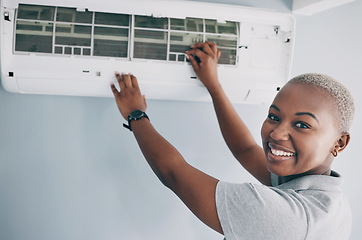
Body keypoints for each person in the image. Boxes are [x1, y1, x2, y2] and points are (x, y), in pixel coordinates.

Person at [110, 41, 354, 240]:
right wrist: (214, 85)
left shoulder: (290, 218)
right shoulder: (326, 196)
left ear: (339, 143)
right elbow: (246, 149)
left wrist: (136, 115)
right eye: (273, 116)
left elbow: (174, 174)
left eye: (302, 125)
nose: (277, 134)